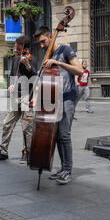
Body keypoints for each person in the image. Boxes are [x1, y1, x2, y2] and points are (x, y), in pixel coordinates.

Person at [34, 26, 84, 185]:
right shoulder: (48, 54)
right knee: (56, 136)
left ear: (51, 36)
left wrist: (58, 63)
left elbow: (79, 71)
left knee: (64, 134)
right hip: (53, 99)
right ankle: (63, 169)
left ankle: (68, 170)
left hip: (67, 97)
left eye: (43, 41)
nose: (41, 46)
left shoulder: (65, 50)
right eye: (40, 43)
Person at [0, 35, 37, 164]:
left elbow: (34, 75)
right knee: (7, 124)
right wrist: (10, 84)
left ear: (23, 46)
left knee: (27, 126)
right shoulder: (16, 59)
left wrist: (27, 65)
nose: (16, 47)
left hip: (27, 96)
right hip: (15, 96)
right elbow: (13, 75)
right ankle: (3, 151)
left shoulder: (31, 58)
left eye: (18, 45)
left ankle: (26, 152)